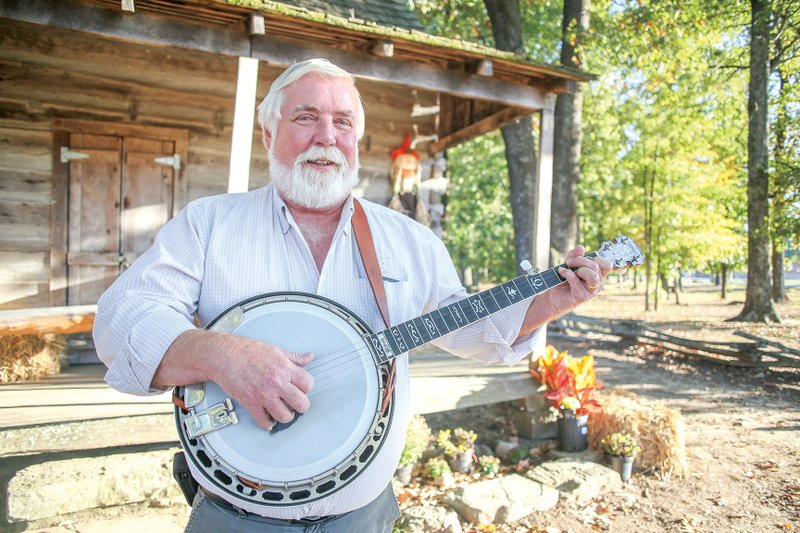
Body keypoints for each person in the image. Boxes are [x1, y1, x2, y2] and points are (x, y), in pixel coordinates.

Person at [93, 58, 611, 532]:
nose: (326, 137)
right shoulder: (209, 226)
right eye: (305, 118)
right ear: (269, 132)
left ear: (357, 139)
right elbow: (121, 319)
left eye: (342, 122)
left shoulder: (409, 241)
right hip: (236, 517)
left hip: (362, 516)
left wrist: (551, 300)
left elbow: (472, 330)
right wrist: (220, 354)